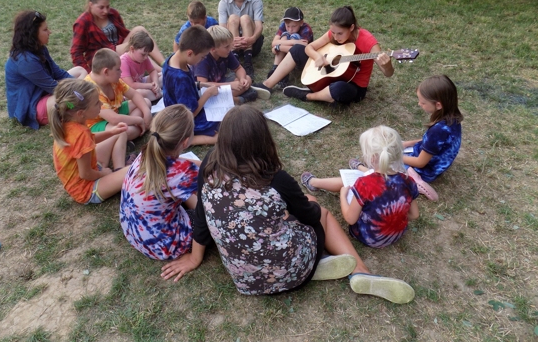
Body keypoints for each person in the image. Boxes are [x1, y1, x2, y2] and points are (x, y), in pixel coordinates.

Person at [160, 106, 416, 304]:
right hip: (289, 268)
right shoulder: (274, 177)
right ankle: (360, 271)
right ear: (263, 139)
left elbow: (202, 216)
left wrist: (195, 258)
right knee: (321, 211)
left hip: (245, 278)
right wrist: (310, 205)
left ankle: (319, 266)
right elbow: (310, 215)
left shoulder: (209, 165)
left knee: (285, 218)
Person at [302, 126, 419, 249]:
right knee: (369, 178)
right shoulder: (408, 180)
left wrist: (342, 195)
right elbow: (414, 214)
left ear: (372, 157)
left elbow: (350, 219)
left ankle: (314, 182)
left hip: (369, 237)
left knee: (347, 184)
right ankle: (359, 167)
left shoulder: (364, 184)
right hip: (395, 234)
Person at [252, 5, 394, 105]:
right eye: (333, 32)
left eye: (340, 33)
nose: (336, 36)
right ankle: (267, 85)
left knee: (339, 89)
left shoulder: (368, 41)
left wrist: (386, 65)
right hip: (329, 74)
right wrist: (317, 57)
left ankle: (307, 95)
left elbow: (388, 74)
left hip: (352, 84)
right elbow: (309, 48)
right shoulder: (333, 33)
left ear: (351, 27)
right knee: (296, 50)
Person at [120, 105, 199, 260]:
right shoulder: (184, 172)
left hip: (135, 234)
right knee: (210, 214)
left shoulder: (147, 153)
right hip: (163, 246)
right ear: (185, 142)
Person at [50, 79, 130, 204]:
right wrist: (103, 173)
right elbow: (85, 174)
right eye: (97, 103)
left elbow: (90, 139)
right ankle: (119, 174)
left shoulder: (68, 121)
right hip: (87, 189)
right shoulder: (80, 134)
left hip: (92, 168)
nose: (101, 105)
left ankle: (118, 170)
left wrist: (111, 131)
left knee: (119, 133)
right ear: (81, 113)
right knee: (135, 170)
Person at [5, 10, 87, 130]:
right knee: (68, 101)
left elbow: (58, 73)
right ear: (32, 34)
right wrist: (80, 90)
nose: (49, 32)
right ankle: (81, 105)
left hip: (44, 92)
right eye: (45, 30)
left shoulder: (40, 49)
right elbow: (53, 87)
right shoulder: (25, 61)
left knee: (80, 70)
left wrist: (81, 86)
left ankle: (83, 99)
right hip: (31, 106)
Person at [70, 0, 165, 72]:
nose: (105, 11)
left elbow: (123, 33)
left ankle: (164, 64)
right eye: (101, 7)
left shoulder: (113, 14)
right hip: (102, 56)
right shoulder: (83, 22)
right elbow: (76, 52)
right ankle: (161, 71)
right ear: (91, 5)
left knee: (140, 30)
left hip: (118, 47)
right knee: (137, 46)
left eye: (107, 6)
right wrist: (88, 73)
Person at [402, 75, 463, 200]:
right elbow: (433, 143)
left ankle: (415, 180)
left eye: (423, 102)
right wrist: (408, 143)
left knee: (383, 162)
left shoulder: (437, 130)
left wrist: (395, 157)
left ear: (439, 105)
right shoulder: (452, 119)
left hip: (426, 170)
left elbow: (420, 162)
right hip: (437, 164)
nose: (419, 104)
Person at [163, 25, 220, 146]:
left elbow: (180, 88)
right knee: (220, 121)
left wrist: (202, 84)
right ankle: (192, 138)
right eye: (202, 57)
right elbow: (190, 113)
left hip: (175, 110)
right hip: (183, 119)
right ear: (190, 53)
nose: (202, 60)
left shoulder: (173, 59)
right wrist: (208, 94)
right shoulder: (180, 77)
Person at [85, 48, 152, 141]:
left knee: (146, 102)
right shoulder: (91, 90)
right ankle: (136, 129)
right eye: (118, 69)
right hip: (97, 123)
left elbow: (134, 95)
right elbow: (114, 119)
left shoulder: (113, 80)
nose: (121, 72)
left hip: (116, 112)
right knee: (123, 132)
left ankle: (133, 130)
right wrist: (139, 120)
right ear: (106, 72)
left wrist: (146, 112)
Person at [195, 26, 269, 105]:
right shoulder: (203, 59)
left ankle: (228, 98)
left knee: (247, 78)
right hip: (207, 91)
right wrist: (230, 85)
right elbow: (203, 86)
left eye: (230, 45)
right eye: (227, 47)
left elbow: (238, 68)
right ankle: (238, 99)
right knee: (210, 94)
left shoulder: (226, 53)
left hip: (221, 83)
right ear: (213, 49)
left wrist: (242, 79)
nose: (230, 48)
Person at [218, 0, 264, 79]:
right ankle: (235, 62)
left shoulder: (256, 0)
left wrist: (252, 38)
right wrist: (230, 41)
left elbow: (259, 25)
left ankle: (248, 63)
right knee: (233, 18)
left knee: (245, 18)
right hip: (231, 44)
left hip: (252, 43)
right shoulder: (223, 2)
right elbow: (222, 28)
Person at [268, 7, 314, 88]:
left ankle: (282, 73)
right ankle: (276, 68)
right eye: (288, 26)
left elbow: (298, 50)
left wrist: (279, 47)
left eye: (294, 26)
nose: (290, 29)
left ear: (301, 23)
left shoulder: (306, 29)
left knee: (294, 36)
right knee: (285, 35)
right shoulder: (283, 26)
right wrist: (294, 42)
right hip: (287, 52)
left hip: (300, 56)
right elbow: (274, 43)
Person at [120, 30, 162, 103]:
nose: (146, 57)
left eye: (147, 54)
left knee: (163, 75)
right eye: (143, 54)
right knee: (140, 93)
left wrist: (156, 83)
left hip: (141, 82)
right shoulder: (123, 61)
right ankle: (160, 94)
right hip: (127, 91)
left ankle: (156, 92)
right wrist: (150, 86)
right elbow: (131, 85)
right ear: (132, 49)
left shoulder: (143, 58)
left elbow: (152, 71)